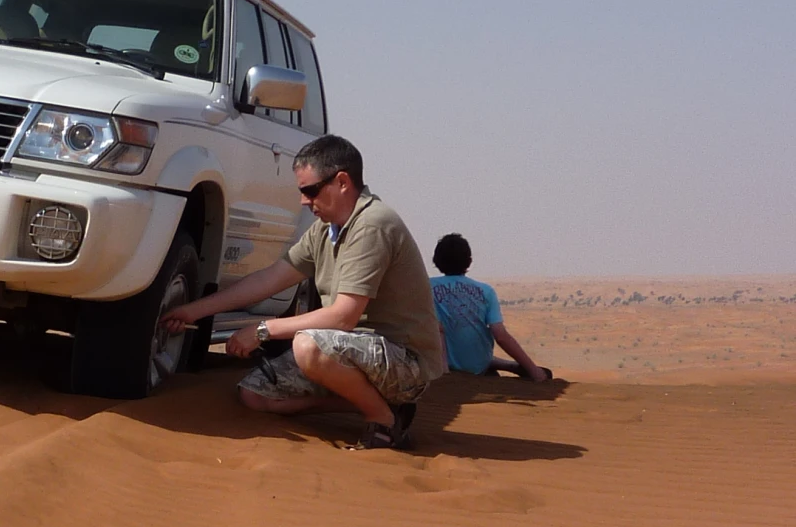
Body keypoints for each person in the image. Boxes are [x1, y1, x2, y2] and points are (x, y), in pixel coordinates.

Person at [163, 135, 444, 449]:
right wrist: (194, 311)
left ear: (341, 182)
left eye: (309, 190)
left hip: (404, 361)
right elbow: (268, 280)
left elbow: (343, 317)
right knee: (254, 395)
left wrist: (262, 329)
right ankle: (375, 403)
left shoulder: (373, 225)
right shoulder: (325, 230)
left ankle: (385, 423)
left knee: (309, 346)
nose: (304, 201)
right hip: (351, 353)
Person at [430, 235, 551, 381]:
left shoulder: (426, 287)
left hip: (442, 365)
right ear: (469, 261)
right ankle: (511, 365)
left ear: (436, 261)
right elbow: (500, 335)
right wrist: (534, 371)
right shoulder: (486, 291)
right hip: (478, 365)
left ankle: (506, 365)